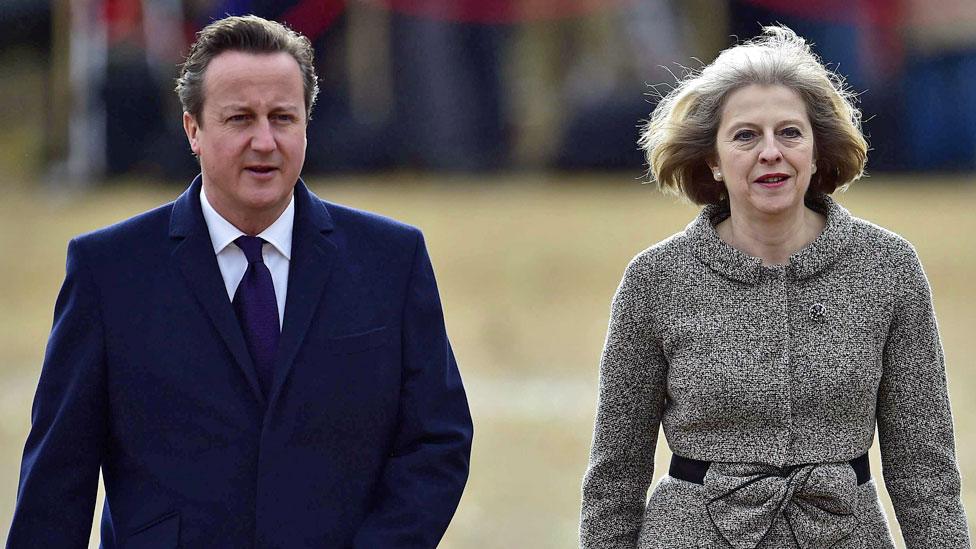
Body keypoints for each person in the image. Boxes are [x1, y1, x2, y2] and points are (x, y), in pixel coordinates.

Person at [7, 15, 472, 548]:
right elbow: (56, 482)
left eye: (282, 117)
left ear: (306, 124)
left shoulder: (391, 260)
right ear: (193, 130)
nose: (264, 141)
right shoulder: (107, 272)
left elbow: (438, 442)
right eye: (239, 119)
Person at [579, 25, 970, 548]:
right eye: (745, 135)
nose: (770, 152)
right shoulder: (655, 279)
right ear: (713, 160)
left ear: (816, 149)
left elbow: (926, 472)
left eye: (790, 133)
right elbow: (615, 477)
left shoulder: (888, 267)